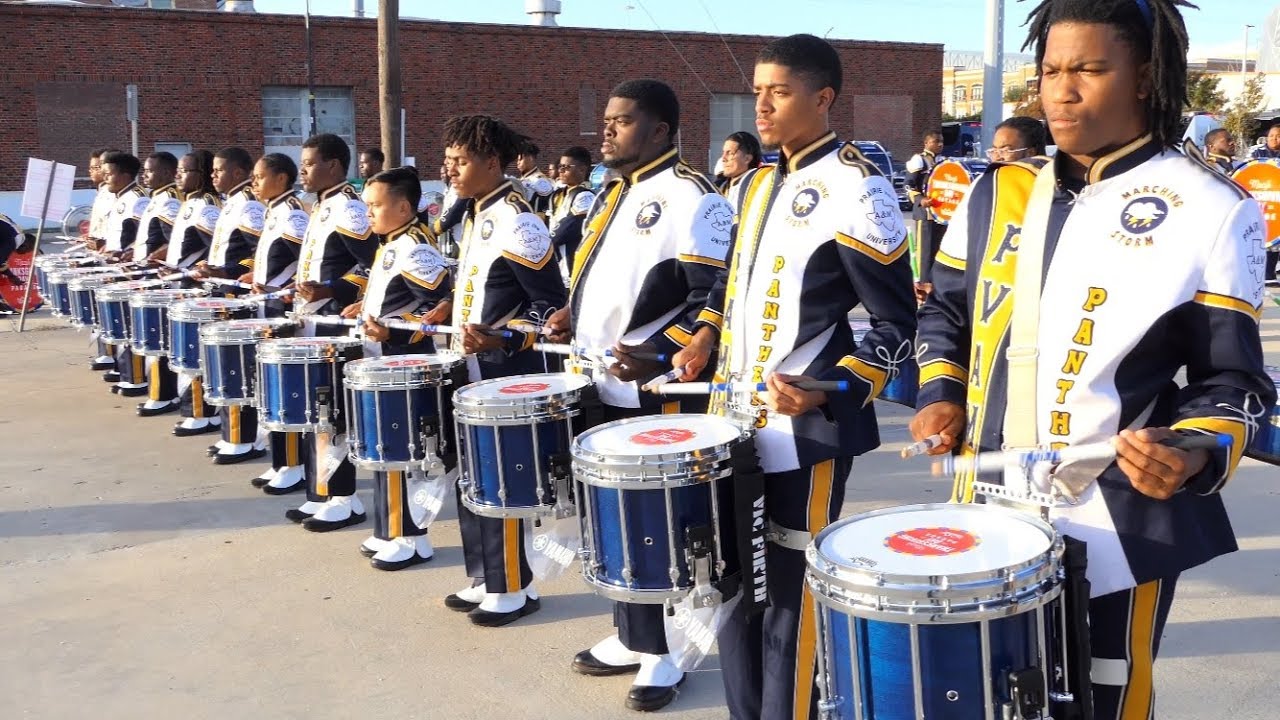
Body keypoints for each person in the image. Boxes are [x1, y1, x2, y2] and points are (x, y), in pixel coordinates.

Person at [911, 3, 1275, 719]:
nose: (1061, 90)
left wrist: (1197, 449)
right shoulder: (995, 192)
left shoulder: (1210, 206)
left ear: (1144, 76)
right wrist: (941, 390)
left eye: (1089, 69)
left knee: (1102, 703)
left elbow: (1232, 378)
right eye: (1050, 70)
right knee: (983, 693)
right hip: (986, 503)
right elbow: (945, 311)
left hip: (1116, 517)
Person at [673, 36, 917, 720]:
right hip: (731, 419)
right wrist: (704, 334)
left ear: (823, 97)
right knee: (734, 584)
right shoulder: (751, 183)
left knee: (790, 592)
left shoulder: (857, 186)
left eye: (778, 90)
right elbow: (731, 283)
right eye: (758, 90)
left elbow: (898, 325)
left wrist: (833, 386)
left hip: (803, 428)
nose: (763, 103)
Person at [542, 79, 734, 713]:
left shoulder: (690, 196)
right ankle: (634, 634)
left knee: (664, 525)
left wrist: (664, 346)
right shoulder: (612, 193)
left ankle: (669, 651)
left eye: (622, 121)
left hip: (657, 387)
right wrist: (574, 313)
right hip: (600, 378)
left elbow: (719, 292)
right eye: (606, 120)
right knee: (614, 516)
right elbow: (616, 283)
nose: (607, 131)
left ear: (660, 131)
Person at [436, 114, 567, 627]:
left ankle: (513, 584)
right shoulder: (474, 213)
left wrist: (505, 335)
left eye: (462, 161)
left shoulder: (519, 220)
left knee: (500, 479)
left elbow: (551, 306)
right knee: (471, 475)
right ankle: (484, 575)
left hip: (506, 368)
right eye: (448, 161)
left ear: (493, 163)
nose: (451, 171)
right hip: (470, 363)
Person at [350, 166, 453, 569]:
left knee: (406, 452)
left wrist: (394, 333)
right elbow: (400, 298)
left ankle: (412, 537)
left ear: (405, 206)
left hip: (405, 365)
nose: (368, 213)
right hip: (385, 363)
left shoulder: (417, 248)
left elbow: (436, 310)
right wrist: (367, 307)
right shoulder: (393, 242)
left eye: (375, 205)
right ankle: (390, 528)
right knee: (384, 449)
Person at [289, 132, 377, 532]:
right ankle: (321, 491)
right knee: (316, 410)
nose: (302, 170)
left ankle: (345, 497)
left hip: (335, 322)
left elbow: (373, 264)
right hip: (312, 320)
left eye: (309, 163)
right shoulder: (322, 205)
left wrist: (332, 290)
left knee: (331, 410)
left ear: (334, 166)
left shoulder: (348, 209)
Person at [193, 147, 266, 465]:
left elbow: (257, 254)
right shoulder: (230, 203)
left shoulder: (249, 206)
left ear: (238, 173)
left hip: (237, 296)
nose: (213, 175)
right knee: (224, 369)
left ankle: (243, 439)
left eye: (219, 170)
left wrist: (227, 272)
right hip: (222, 292)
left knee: (236, 370)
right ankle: (232, 435)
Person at [241, 152, 309, 494]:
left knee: (288, 388)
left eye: (259, 177)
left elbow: (305, 263)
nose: (254, 183)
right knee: (272, 387)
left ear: (281, 179)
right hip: (268, 308)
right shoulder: (276, 210)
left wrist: (284, 289)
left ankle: (294, 464)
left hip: (285, 313)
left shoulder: (294, 214)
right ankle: (282, 460)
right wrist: (260, 275)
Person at [162, 151, 224, 439]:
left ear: (199, 174)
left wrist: (205, 271)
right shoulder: (192, 203)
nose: (178, 175)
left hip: (198, 289)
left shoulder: (208, 207)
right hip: (182, 284)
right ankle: (196, 411)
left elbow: (215, 250)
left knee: (193, 355)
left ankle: (201, 413)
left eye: (184, 170)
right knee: (185, 353)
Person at [133, 151, 184, 418]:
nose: (145, 176)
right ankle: (158, 392)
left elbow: (172, 240)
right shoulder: (158, 197)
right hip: (150, 276)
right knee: (154, 339)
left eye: (150, 171)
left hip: (164, 279)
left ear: (165, 173)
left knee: (160, 339)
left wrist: (155, 257)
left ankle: (164, 394)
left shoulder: (170, 201)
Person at [99, 151, 152, 398]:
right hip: (118, 266)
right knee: (120, 324)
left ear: (125, 175)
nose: (105, 177)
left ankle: (137, 378)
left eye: (109, 173)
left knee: (131, 325)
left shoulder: (138, 198)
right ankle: (126, 372)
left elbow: (145, 238)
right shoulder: (120, 197)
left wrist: (128, 253)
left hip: (133, 271)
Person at [87, 147, 123, 372]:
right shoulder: (103, 192)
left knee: (114, 314)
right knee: (101, 309)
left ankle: (113, 356)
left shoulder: (121, 196)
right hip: (101, 254)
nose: (94, 171)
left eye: (97, 167)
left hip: (113, 258)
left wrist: (104, 245)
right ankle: (107, 353)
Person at [905, 130, 946, 301]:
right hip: (926, 213)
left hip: (942, 213)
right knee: (925, 252)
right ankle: (922, 286)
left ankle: (937, 285)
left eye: (942, 141)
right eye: (936, 141)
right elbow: (908, 185)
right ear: (927, 143)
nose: (940, 144)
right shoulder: (919, 160)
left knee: (940, 250)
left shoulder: (944, 162)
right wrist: (920, 199)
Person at [547, 145, 596, 283]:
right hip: (556, 263)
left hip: (572, 265)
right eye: (560, 166)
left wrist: (543, 245)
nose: (561, 171)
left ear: (582, 169)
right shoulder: (556, 195)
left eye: (566, 167)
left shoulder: (585, 196)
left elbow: (568, 228)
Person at [0, 213, 34, 315]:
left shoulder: (15, 230)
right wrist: (11, 276)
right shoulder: (16, 240)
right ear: (26, 244)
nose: (25, 253)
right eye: (29, 249)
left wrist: (11, 276)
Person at [715, 130, 763, 199]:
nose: (723, 158)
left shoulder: (760, 188)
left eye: (730, 153)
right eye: (724, 152)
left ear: (747, 159)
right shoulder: (721, 188)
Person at [515, 139, 555, 218]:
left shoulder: (539, 180)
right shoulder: (524, 178)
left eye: (520, 159)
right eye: (517, 160)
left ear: (530, 158)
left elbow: (544, 207)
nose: (518, 163)